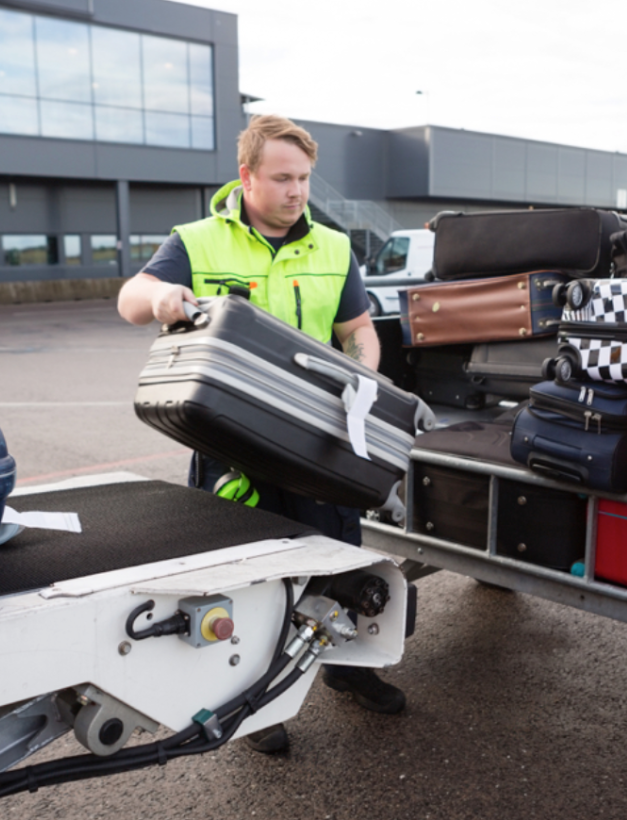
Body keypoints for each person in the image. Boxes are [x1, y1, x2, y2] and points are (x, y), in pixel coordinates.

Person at [118, 114, 406, 754]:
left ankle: (349, 670)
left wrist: (360, 380)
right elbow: (130, 297)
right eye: (282, 178)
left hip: (319, 445)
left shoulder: (334, 247)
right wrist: (163, 297)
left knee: (338, 561)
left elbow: (359, 328)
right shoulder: (196, 240)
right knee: (250, 580)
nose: (297, 191)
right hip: (233, 447)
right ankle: (259, 706)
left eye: (304, 178)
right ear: (246, 177)